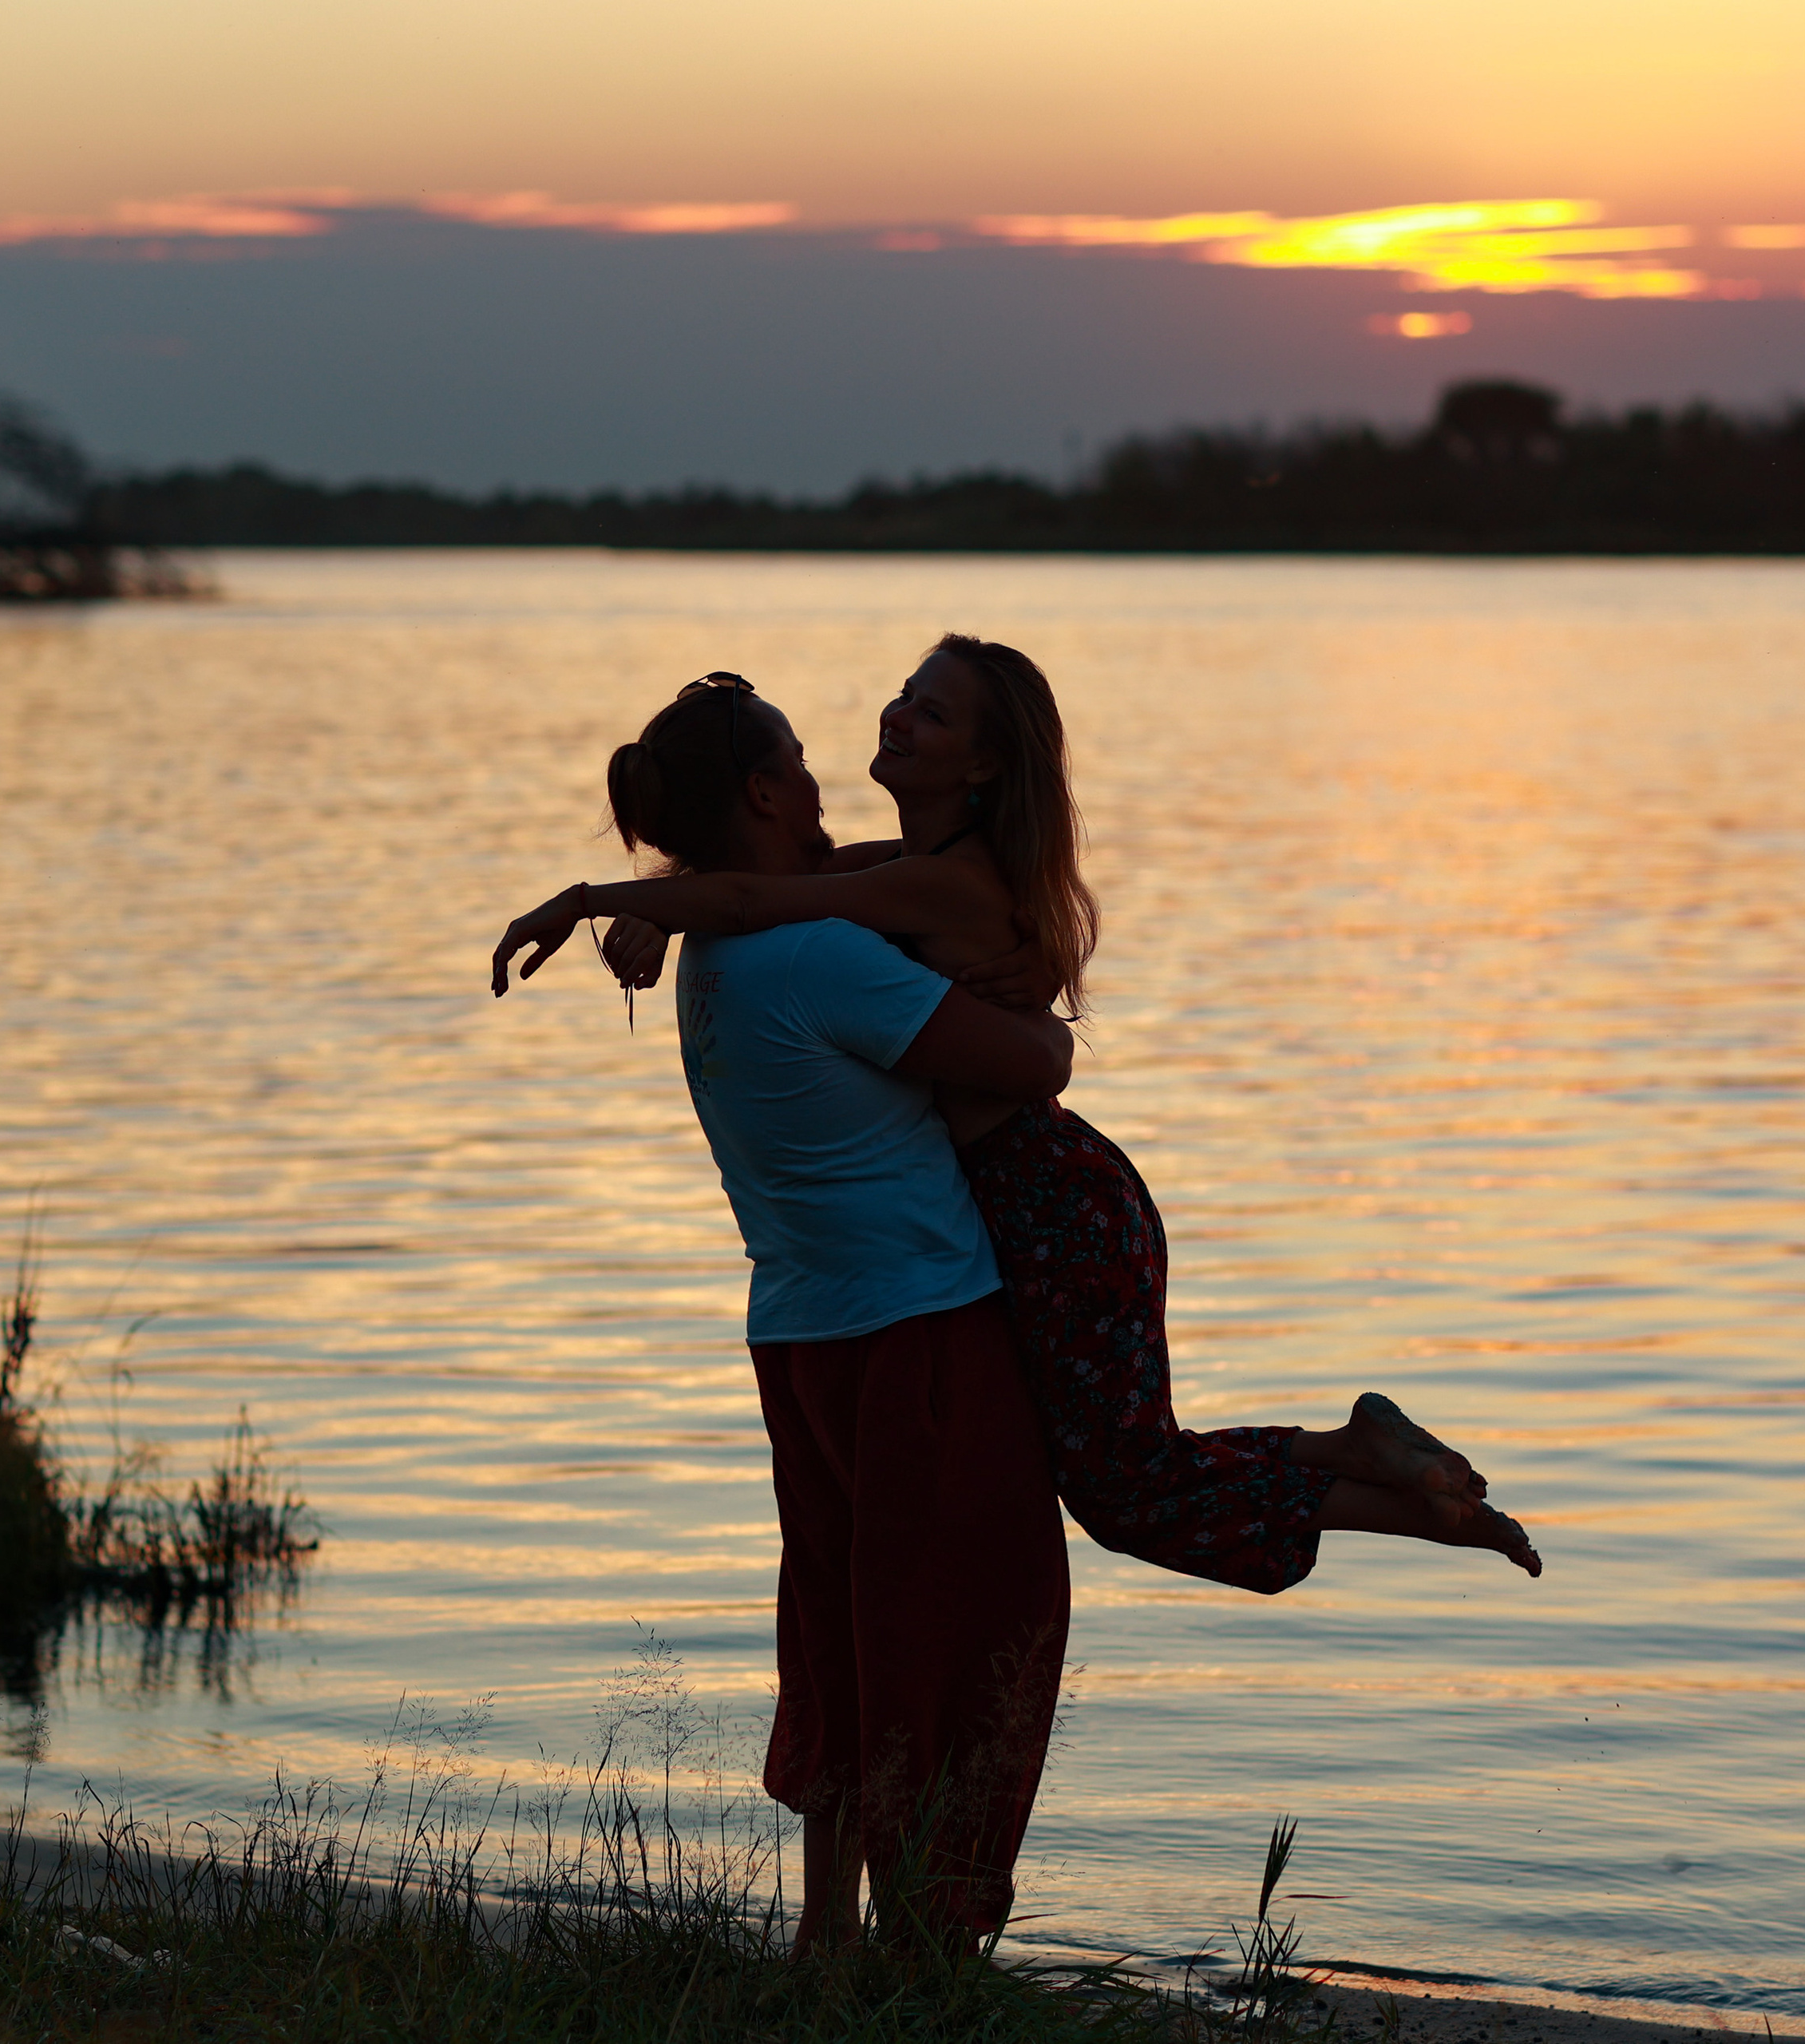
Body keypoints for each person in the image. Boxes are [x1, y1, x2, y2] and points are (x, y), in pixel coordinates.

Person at [492, 638, 1543, 1590]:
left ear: (983, 768)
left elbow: (761, 902)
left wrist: (599, 900)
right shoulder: (904, 871)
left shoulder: (935, 887)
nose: (898, 714)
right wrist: (659, 907)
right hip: (1034, 1198)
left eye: (933, 715)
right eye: (905, 693)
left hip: (1054, 1204)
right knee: (1126, 1468)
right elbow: (768, 881)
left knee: (1123, 1490)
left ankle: (1402, 1507)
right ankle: (1348, 1452)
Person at [493, 673, 1078, 1954]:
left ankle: (829, 1938)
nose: (823, 786)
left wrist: (628, 902)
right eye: (802, 766)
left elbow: (811, 885)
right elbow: (1036, 1067)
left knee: (842, 1629)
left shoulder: (721, 955)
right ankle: (930, 1939)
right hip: (920, 1334)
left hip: (803, 1336)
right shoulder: (824, 956)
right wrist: (1028, 994)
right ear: (763, 792)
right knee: (967, 1621)